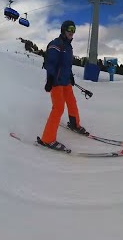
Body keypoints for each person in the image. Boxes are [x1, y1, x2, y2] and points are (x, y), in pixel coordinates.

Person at [38, 20, 88, 150]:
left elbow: (66, 65)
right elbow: (50, 63)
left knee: (72, 103)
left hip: (65, 81)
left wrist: (70, 76)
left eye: (74, 30)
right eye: (70, 29)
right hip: (56, 82)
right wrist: (50, 79)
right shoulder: (56, 44)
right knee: (58, 108)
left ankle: (74, 124)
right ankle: (47, 139)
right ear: (63, 30)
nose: (72, 32)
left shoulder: (68, 47)